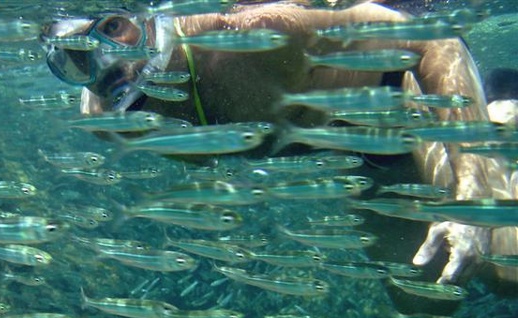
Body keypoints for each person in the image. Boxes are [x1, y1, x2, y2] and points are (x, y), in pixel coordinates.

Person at [43, 1, 518, 294]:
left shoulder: (252, 32)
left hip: (404, 93)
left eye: (113, 30)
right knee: (422, 296)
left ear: (146, 15)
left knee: (503, 270)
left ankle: (499, 106)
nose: (110, 62)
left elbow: (436, 41)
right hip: (361, 151)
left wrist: (469, 198)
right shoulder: (109, 120)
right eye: (79, 58)